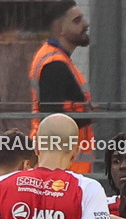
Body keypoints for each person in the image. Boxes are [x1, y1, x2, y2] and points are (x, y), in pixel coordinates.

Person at [29, 0, 94, 174]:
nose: (85, 24)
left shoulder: (57, 59)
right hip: (61, 169)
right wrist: (89, 116)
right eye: (77, 20)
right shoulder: (55, 63)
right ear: (60, 29)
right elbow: (52, 117)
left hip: (62, 165)